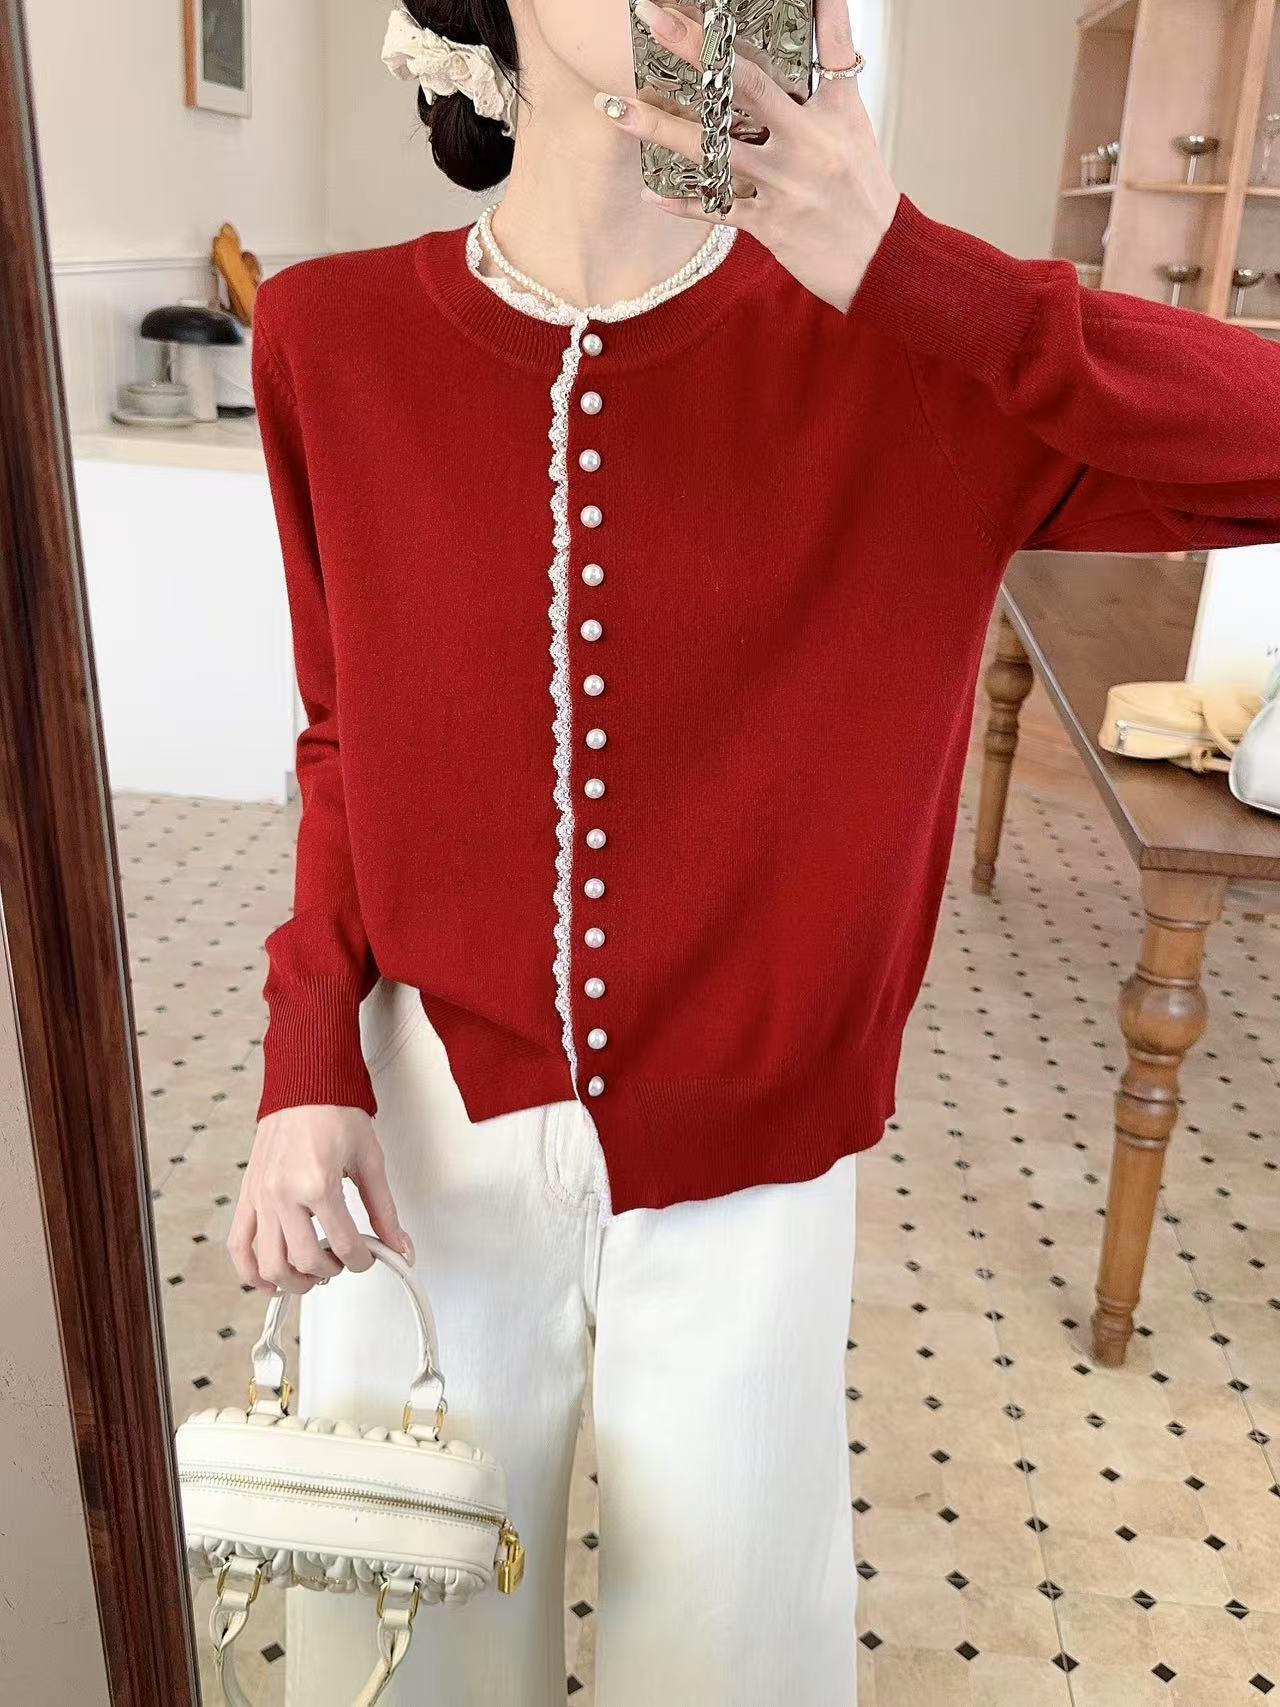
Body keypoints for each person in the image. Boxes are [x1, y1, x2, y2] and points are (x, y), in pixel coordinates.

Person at [227, 0, 1280, 1700]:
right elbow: (349, 731)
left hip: (758, 1169)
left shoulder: (912, 358)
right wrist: (305, 1060)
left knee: (725, 1662)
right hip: (425, 1132)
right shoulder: (329, 337)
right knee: (398, 1657)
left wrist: (915, 273)